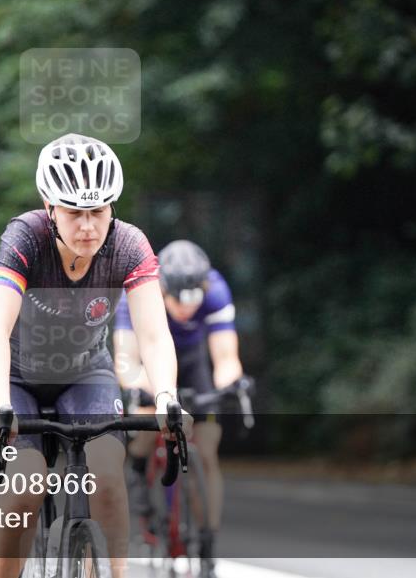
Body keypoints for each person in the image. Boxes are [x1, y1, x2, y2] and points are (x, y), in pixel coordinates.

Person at [0, 133, 190, 578]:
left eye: (99, 211)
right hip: (13, 377)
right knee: (25, 484)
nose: (88, 226)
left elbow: (153, 333)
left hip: (85, 374)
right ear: (50, 207)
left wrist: (166, 396)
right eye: (75, 213)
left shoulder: (129, 244)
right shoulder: (25, 237)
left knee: (108, 476)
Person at [113, 239, 244, 577]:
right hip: (149, 360)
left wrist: (227, 386)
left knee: (208, 448)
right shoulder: (142, 288)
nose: (185, 309)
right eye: (176, 301)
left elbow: (226, 358)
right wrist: (152, 393)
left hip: (192, 361)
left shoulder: (215, 289)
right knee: (145, 425)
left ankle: (208, 542)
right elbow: (126, 363)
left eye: (192, 301)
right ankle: (139, 469)